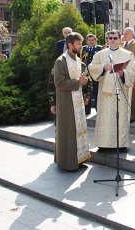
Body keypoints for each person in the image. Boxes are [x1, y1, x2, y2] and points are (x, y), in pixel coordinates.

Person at [88, 30, 135, 153]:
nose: (113, 40)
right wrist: (103, 67)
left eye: (115, 38)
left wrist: (123, 73)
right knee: (105, 117)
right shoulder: (100, 54)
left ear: (121, 39)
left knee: (120, 117)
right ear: (107, 39)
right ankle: (103, 144)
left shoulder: (128, 54)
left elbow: (133, 71)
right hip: (104, 93)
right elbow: (92, 68)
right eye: (110, 38)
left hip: (121, 91)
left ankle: (121, 144)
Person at [53, 32, 91, 171]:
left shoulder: (77, 59)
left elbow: (81, 79)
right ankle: (67, 163)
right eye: (79, 44)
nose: (81, 46)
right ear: (70, 45)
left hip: (78, 101)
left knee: (77, 131)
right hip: (67, 102)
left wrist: (84, 82)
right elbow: (59, 83)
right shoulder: (61, 61)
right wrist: (78, 82)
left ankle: (78, 160)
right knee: (68, 132)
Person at [121, 27, 135, 122]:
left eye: (126, 34)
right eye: (124, 33)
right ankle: (125, 114)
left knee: (132, 96)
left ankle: (132, 115)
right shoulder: (122, 45)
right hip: (122, 73)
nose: (124, 35)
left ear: (131, 35)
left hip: (132, 72)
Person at [80, 33, 102, 115]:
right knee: (86, 93)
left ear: (96, 41)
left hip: (96, 74)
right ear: (86, 41)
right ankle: (86, 110)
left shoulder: (100, 49)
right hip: (86, 74)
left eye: (93, 40)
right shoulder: (83, 49)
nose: (91, 42)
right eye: (89, 40)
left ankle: (98, 110)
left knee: (96, 93)